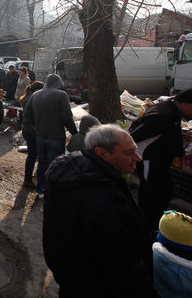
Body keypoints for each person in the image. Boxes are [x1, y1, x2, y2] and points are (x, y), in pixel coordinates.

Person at [43, 124, 158, 297]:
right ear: (101, 153)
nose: (138, 158)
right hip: (97, 286)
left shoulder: (65, 169)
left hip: (70, 276)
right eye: (128, 153)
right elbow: (124, 266)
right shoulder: (105, 203)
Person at [129, 89, 192, 233]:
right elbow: (133, 135)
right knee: (152, 196)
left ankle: (152, 227)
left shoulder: (170, 111)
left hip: (159, 162)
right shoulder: (162, 115)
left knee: (163, 192)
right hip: (149, 162)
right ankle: (147, 230)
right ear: (187, 104)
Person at [24, 73, 78, 198]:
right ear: (58, 84)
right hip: (56, 136)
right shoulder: (61, 95)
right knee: (55, 164)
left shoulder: (35, 95)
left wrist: (36, 128)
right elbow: (67, 118)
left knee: (42, 162)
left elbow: (28, 115)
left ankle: (40, 189)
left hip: (40, 136)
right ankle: (52, 190)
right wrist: (75, 133)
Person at [19, 81, 44, 188]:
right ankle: (29, 179)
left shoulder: (26, 98)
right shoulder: (34, 99)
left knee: (32, 155)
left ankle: (29, 178)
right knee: (35, 155)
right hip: (33, 130)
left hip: (27, 130)